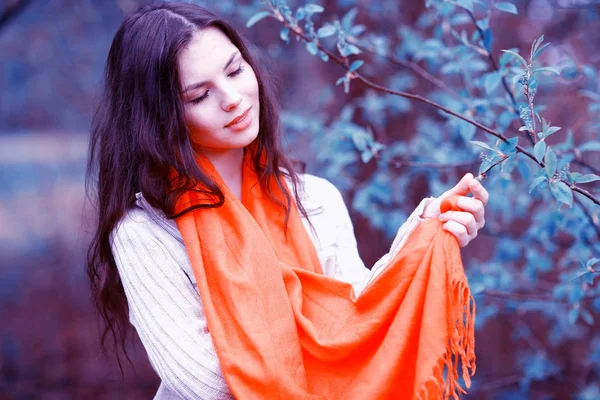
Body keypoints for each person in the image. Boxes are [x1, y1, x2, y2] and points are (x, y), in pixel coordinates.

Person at [85, 2, 489, 399]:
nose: (231, 98)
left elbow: (359, 317)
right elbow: (207, 383)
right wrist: (321, 340)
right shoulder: (145, 232)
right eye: (198, 96)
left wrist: (423, 235)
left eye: (234, 70)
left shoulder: (313, 198)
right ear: (160, 117)